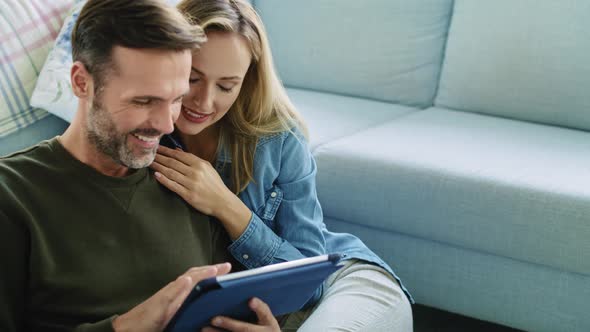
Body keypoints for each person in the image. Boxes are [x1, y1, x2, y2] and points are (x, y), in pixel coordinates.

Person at [0, 0, 280, 331]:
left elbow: (235, 306)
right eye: (144, 101)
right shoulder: (12, 196)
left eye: (176, 99)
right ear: (81, 82)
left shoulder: (190, 183)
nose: (165, 125)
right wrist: (133, 324)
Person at [151, 0, 414, 331]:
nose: (204, 101)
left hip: (339, 282)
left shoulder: (276, 138)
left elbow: (309, 281)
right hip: (250, 305)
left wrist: (226, 205)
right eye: (192, 78)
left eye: (226, 86)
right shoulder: (144, 133)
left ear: (245, 82)